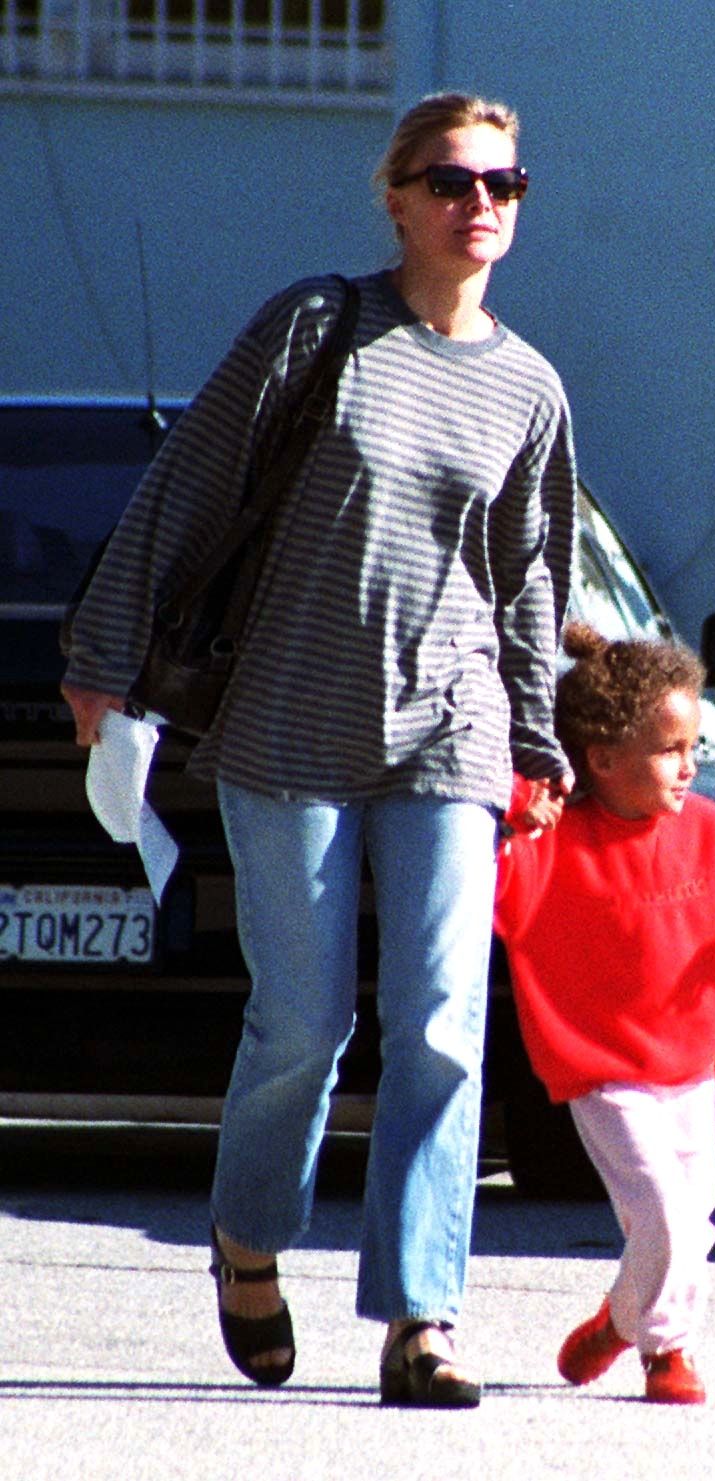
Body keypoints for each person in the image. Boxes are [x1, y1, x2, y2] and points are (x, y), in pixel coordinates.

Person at [61, 92, 576, 1408]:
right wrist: (101, 665)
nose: (480, 204)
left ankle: (424, 1314)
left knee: (447, 1024)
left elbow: (525, 582)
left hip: (447, 730)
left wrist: (536, 738)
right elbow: (186, 487)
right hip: (287, 712)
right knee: (304, 1024)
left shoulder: (528, 387)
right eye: (451, 180)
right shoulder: (319, 325)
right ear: (394, 197)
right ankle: (246, 1237)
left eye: (503, 184)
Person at [495, 622, 715, 1405]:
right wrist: (516, 804)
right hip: (601, 1073)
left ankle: (630, 1327)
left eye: (693, 745)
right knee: (665, 1216)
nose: (690, 764)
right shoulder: (553, 844)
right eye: (671, 749)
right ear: (601, 760)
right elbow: (490, 884)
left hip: (688, 1067)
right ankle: (659, 1343)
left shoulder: (706, 828)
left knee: (692, 1218)